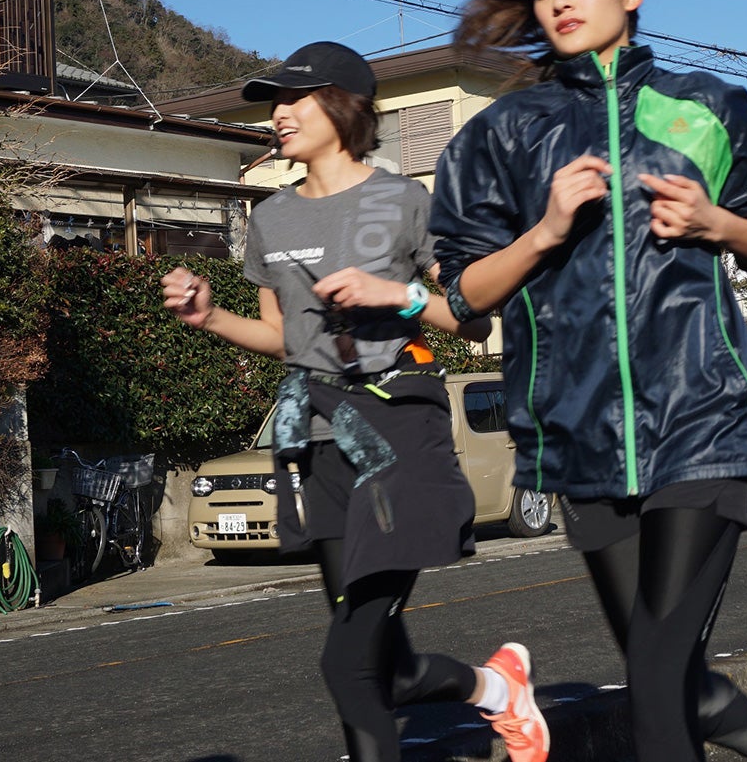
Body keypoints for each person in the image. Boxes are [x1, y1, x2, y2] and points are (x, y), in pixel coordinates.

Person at [428, 0, 747, 762]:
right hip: (579, 436)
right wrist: (542, 231)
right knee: (665, 671)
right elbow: (463, 295)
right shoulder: (504, 133)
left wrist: (717, 220)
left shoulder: (708, 106)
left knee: (652, 674)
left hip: (702, 420)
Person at [159, 41, 549, 762]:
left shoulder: (404, 201)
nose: (277, 115)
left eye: (292, 99)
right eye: (273, 102)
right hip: (318, 440)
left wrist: (395, 294)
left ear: (342, 104)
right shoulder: (271, 219)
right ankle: (496, 689)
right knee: (383, 666)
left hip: (397, 432)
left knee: (346, 663)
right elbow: (282, 337)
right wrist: (209, 317)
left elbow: (471, 317)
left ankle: (492, 693)